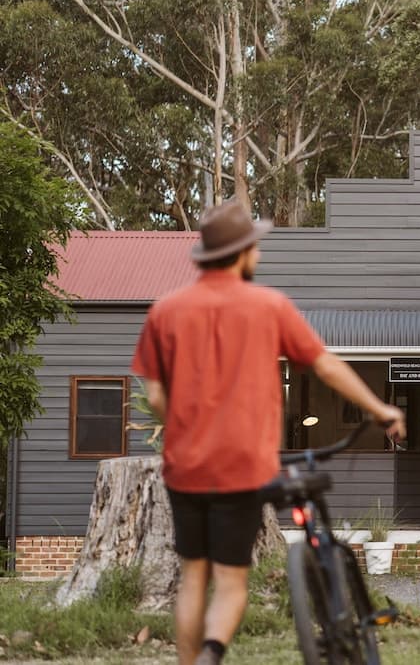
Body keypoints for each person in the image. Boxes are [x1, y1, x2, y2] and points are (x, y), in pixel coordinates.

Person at [131, 200, 405, 665]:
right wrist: (379, 408)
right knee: (231, 582)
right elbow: (324, 365)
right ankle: (212, 653)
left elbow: (155, 394)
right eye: (255, 246)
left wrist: (189, 422)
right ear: (242, 254)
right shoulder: (267, 306)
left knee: (194, 577)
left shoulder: (166, 310)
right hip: (240, 467)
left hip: (185, 467)